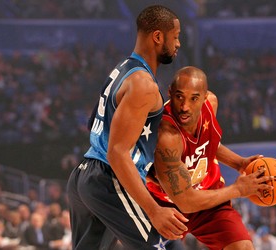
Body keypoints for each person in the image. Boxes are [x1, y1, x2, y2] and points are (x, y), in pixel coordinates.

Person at [66, 5, 188, 250]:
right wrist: (153, 210)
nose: (178, 44)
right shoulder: (142, 84)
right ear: (158, 37)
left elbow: (95, 124)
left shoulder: (122, 70)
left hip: (85, 175)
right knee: (167, 246)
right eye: (175, 37)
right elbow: (117, 152)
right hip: (109, 178)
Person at [146, 66, 274, 250]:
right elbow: (186, 201)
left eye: (194, 98)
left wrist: (239, 163)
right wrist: (238, 189)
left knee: (243, 247)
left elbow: (209, 144)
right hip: (167, 208)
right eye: (179, 97)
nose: (185, 106)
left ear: (205, 97)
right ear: (170, 93)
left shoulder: (211, 104)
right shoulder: (167, 136)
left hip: (208, 199)